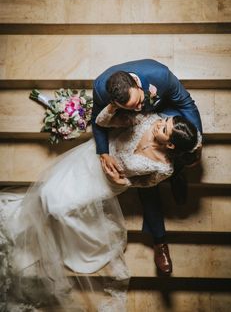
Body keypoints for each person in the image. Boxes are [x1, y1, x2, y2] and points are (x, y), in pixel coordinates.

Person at [0, 103, 198, 311]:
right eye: (165, 121)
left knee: (60, 209)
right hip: (94, 156)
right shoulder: (149, 119)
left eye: (164, 129)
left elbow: (147, 182)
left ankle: (82, 242)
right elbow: (102, 121)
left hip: (107, 183)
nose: (160, 125)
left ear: (171, 146)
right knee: (47, 192)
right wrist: (113, 107)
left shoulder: (164, 167)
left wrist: (124, 183)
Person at [92, 59, 203, 275]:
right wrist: (104, 153)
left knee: (171, 161)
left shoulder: (159, 76)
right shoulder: (104, 92)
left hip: (164, 119)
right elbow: (98, 122)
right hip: (129, 141)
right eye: (133, 107)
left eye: (140, 101)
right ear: (116, 103)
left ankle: (178, 171)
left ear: (137, 83)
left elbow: (186, 104)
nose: (140, 108)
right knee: (150, 192)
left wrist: (195, 144)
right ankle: (160, 241)